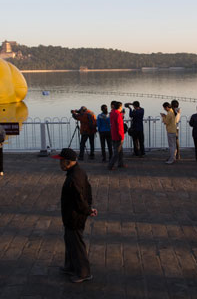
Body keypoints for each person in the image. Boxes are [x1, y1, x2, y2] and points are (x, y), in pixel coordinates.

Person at [52, 148, 97, 283]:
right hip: (71, 215)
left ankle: (84, 272)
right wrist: (88, 207)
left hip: (74, 216)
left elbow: (79, 199)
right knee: (70, 241)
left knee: (77, 244)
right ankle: (70, 266)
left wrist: (88, 210)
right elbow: (88, 192)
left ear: (68, 162)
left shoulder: (73, 178)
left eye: (61, 161)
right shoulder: (79, 172)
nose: (59, 164)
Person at [108, 101, 126, 170]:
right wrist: (121, 136)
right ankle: (110, 165)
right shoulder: (118, 114)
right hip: (118, 135)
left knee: (120, 150)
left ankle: (120, 163)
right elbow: (119, 126)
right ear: (119, 107)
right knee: (117, 152)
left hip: (113, 134)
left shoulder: (112, 113)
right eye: (121, 107)